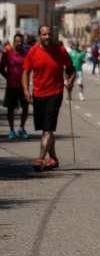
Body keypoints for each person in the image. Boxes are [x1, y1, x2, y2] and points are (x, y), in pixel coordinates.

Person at [21, 24, 75, 171]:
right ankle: (54, 158)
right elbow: (26, 72)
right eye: (44, 34)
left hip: (55, 93)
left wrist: (70, 81)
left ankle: (41, 159)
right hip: (38, 94)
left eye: (49, 34)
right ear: (40, 35)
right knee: (46, 129)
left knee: (48, 129)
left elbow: (71, 70)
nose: (47, 37)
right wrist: (26, 90)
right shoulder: (32, 52)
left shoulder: (60, 51)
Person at [1, 32, 30, 139]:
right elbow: (1, 68)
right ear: (13, 42)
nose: (19, 43)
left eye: (21, 42)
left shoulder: (26, 54)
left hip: (23, 86)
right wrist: (7, 77)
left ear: (23, 42)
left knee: (25, 107)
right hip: (11, 86)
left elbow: (29, 68)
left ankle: (21, 128)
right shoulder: (7, 53)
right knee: (10, 109)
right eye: (17, 41)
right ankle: (12, 130)